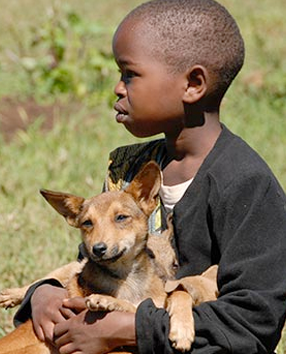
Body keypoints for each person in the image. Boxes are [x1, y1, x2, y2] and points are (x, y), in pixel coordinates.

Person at [14, 0, 286, 353]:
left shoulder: (247, 184)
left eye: (129, 73)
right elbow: (97, 262)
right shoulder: (129, 166)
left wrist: (132, 330)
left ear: (193, 84)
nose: (117, 87)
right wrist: (44, 292)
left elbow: (253, 322)